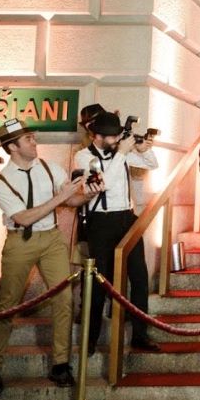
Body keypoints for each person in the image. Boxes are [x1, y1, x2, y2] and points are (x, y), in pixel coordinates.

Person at [0, 118, 98, 395]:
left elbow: (70, 200)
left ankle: (60, 364)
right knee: (8, 303)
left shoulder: (49, 167)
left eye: (33, 137)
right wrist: (63, 197)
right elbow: (23, 218)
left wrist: (89, 195)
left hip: (52, 239)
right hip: (20, 242)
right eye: (28, 139)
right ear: (12, 147)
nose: (34, 142)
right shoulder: (0, 182)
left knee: (64, 298)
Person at [73, 111, 160, 354]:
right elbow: (103, 184)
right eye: (110, 137)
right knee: (100, 281)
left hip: (126, 218)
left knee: (139, 277)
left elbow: (153, 164)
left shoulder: (121, 152)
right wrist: (121, 152)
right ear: (96, 136)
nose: (114, 141)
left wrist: (142, 150)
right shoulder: (83, 157)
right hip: (100, 221)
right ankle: (90, 340)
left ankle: (141, 335)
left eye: (117, 136)